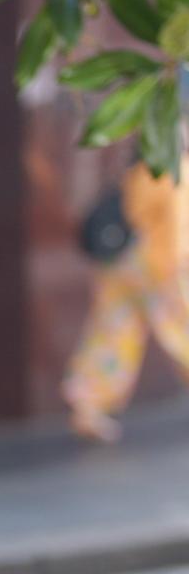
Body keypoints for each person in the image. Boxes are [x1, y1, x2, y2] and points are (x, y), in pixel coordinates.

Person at [63, 153, 189, 443]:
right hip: (159, 264)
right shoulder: (175, 168)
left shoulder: (137, 171)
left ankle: (88, 405)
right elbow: (176, 224)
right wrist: (177, 267)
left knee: (112, 332)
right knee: (182, 329)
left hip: (121, 263)